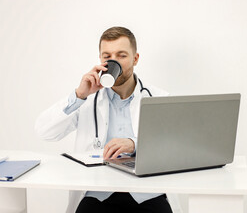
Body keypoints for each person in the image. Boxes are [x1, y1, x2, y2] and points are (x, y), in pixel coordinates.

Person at [35, 26, 173, 213]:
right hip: (98, 193)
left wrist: (135, 144)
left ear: (135, 59)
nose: (113, 61)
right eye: (107, 56)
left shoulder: (158, 97)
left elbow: (173, 146)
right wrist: (79, 95)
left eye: (122, 55)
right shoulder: (87, 99)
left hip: (147, 191)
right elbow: (44, 132)